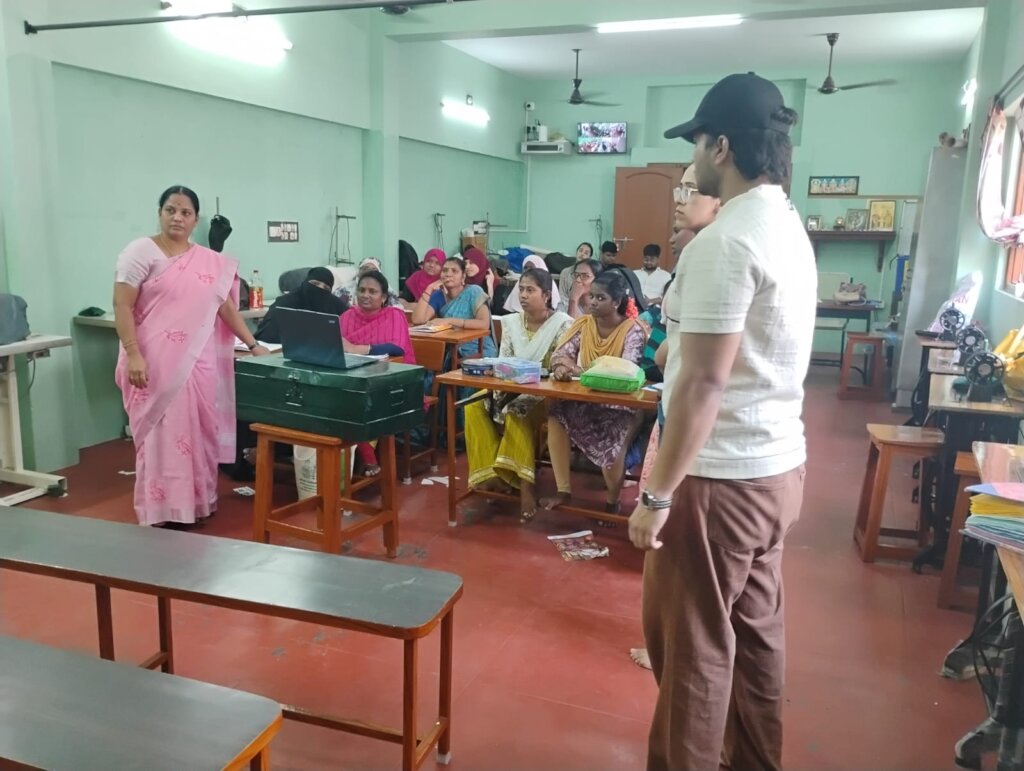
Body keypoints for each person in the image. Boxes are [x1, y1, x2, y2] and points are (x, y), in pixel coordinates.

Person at [627, 73, 815, 771]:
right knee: (756, 639)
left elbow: (704, 383)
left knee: (693, 655)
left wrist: (656, 494)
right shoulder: (786, 224)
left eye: (698, 142)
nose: (693, 158)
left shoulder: (725, 240)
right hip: (777, 470)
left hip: (718, 481)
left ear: (723, 147)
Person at [113, 185, 270, 527]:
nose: (177, 218)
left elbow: (224, 307)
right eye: (170, 210)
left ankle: (197, 502)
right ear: (159, 213)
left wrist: (253, 344)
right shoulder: (140, 252)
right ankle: (163, 508)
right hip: (154, 361)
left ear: (195, 220)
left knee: (198, 432)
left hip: (198, 363)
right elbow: (121, 305)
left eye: (185, 212)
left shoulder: (207, 262)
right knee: (162, 435)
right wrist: (133, 354)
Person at [629, 162, 722, 672]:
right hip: (675, 415)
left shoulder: (714, 255)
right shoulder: (692, 262)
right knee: (671, 552)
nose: (679, 200)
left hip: (691, 429)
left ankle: (672, 648)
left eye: (690, 189)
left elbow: (699, 373)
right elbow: (670, 351)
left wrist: (658, 494)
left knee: (678, 547)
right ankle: (663, 640)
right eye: (679, 189)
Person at [466, 268, 572, 521]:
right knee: (473, 405)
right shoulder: (511, 322)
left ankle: (525, 484)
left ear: (546, 295)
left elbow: (557, 367)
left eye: (530, 290)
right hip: (510, 384)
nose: (523, 295)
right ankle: (492, 474)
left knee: (517, 411)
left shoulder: (562, 324)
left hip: (544, 392)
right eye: (521, 289)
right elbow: (504, 360)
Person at [542, 271, 646, 517]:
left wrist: (579, 371)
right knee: (556, 416)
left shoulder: (633, 330)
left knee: (614, 440)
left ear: (616, 302)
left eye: (601, 298)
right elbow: (560, 354)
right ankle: (563, 490)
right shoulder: (584, 324)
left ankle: (612, 501)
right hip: (587, 398)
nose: (593, 302)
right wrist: (561, 367)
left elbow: (625, 371)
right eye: (592, 296)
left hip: (621, 404)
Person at [341, 270, 417, 477]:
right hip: (352, 378)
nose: (365, 295)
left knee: (353, 402)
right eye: (362, 290)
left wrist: (360, 349)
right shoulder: (347, 317)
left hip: (391, 383)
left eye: (372, 291)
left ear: (383, 297)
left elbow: (397, 347)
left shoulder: (394, 316)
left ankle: (366, 455)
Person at [411, 256, 497, 359]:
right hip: (451, 348)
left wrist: (449, 321)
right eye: (445, 270)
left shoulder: (474, 292)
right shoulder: (439, 295)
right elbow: (418, 320)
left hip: (479, 348)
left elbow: (484, 324)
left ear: (463, 276)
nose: (448, 274)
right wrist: (429, 289)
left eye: (454, 271)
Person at [254, 267, 347, 344]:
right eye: (315, 283)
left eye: (326, 288)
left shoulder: (334, 304)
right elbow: (265, 334)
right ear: (305, 282)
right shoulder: (286, 302)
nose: (319, 289)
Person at [557, 241, 596, 306]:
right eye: (580, 251)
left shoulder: (591, 276)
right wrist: (571, 305)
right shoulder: (565, 272)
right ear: (576, 252)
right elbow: (562, 295)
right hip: (565, 305)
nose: (582, 254)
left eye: (586, 253)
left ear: (589, 258)